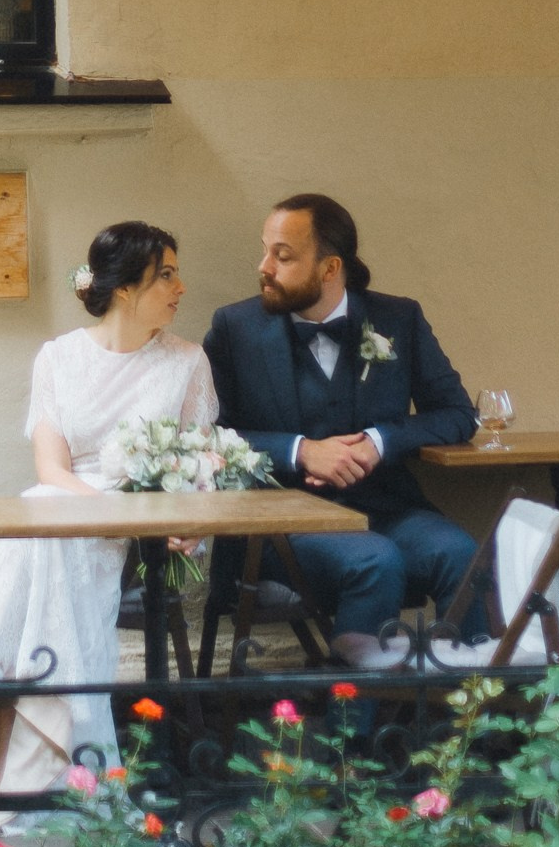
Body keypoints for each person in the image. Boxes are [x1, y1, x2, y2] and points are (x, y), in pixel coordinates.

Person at [0, 220, 216, 791]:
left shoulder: (188, 362)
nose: (180, 287)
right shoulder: (58, 358)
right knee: (47, 515)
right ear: (124, 288)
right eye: (166, 275)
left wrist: (178, 520)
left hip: (145, 531)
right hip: (74, 509)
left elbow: (200, 465)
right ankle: (64, 750)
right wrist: (107, 512)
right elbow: (51, 469)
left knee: (45, 527)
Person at [204, 191, 480, 669]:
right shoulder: (235, 328)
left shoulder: (398, 319)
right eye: (265, 249)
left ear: (330, 269)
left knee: (462, 554)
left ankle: (474, 726)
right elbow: (209, 435)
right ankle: (349, 735)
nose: (263, 265)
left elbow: (457, 413)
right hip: (280, 525)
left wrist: (380, 442)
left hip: (387, 508)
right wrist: (300, 451)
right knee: (375, 561)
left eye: (282, 255)